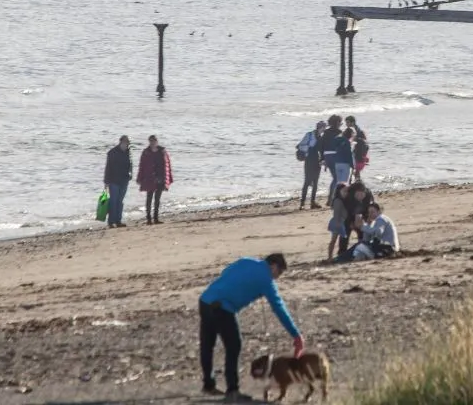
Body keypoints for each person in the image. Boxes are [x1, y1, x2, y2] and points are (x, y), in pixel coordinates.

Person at [198, 253, 305, 402]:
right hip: (222, 307)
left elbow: (227, 272)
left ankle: (208, 385)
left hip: (205, 300)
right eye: (279, 272)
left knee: (207, 345)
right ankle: (232, 390)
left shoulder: (246, 260)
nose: (277, 277)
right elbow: (278, 307)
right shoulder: (266, 280)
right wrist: (296, 335)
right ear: (273, 266)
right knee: (234, 346)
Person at [136, 134, 173, 225]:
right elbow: (142, 166)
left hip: (160, 178)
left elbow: (168, 166)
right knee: (149, 198)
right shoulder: (146, 152)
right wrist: (139, 178)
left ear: (157, 141)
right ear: (149, 142)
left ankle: (156, 218)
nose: (153, 143)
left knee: (157, 199)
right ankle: (148, 219)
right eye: (151, 141)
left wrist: (169, 178)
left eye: (154, 141)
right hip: (149, 178)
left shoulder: (162, 152)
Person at [103, 135, 133, 228]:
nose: (126, 144)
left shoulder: (128, 152)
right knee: (113, 201)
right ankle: (111, 222)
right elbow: (108, 168)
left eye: (127, 142)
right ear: (120, 142)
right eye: (125, 142)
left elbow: (130, 165)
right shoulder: (112, 152)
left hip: (124, 181)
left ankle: (118, 221)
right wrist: (106, 182)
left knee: (120, 201)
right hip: (113, 181)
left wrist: (130, 175)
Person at [296, 121, 325, 210]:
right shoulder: (309, 135)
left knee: (315, 182)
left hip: (317, 160)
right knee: (307, 181)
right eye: (323, 127)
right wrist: (308, 149)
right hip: (309, 160)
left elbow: (322, 150)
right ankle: (302, 203)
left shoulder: (321, 137)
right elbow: (299, 145)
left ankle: (312, 202)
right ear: (320, 127)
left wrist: (323, 160)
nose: (324, 129)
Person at [320, 115, 344, 205]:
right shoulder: (340, 132)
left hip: (327, 156)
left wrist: (322, 158)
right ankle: (330, 199)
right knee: (337, 178)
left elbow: (321, 146)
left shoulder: (325, 133)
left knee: (335, 178)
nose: (341, 124)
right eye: (341, 122)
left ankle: (331, 198)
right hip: (336, 155)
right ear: (338, 123)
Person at [327, 183, 350, 261]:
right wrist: (338, 224)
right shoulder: (337, 201)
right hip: (337, 223)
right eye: (344, 191)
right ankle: (330, 257)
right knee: (333, 240)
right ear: (338, 191)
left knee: (342, 240)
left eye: (347, 191)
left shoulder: (344, 200)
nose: (346, 193)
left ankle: (338, 255)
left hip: (342, 222)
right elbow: (336, 214)